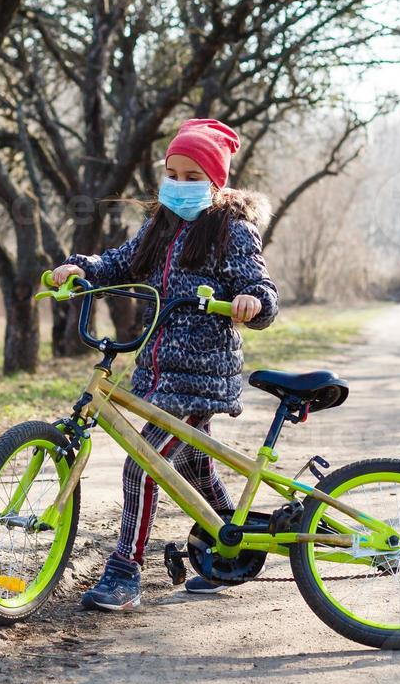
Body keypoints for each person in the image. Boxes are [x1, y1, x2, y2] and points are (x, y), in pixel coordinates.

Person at [50, 117, 280, 610]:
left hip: (201, 377)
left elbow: (262, 289)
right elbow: (120, 262)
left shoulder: (231, 230)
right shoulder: (160, 226)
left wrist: (251, 302)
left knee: (145, 462)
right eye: (173, 173)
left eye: (194, 177)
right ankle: (228, 551)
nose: (180, 185)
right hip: (160, 372)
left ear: (216, 183)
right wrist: (80, 268)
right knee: (194, 465)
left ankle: (124, 572)